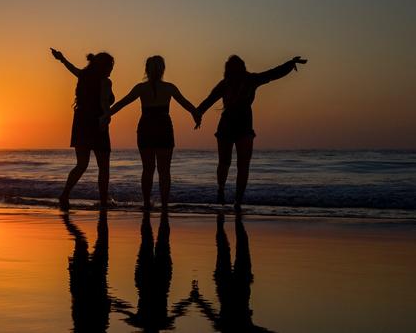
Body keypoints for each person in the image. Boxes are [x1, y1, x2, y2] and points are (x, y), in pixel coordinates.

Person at [195, 55, 307, 212]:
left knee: (224, 162)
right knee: (242, 165)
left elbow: (208, 101)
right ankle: (237, 201)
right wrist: (290, 64)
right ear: (243, 67)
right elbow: (272, 74)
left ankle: (221, 189)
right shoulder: (250, 79)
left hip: (228, 126)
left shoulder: (225, 83)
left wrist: (198, 114)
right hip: (242, 126)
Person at [103, 56, 200, 211]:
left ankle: (147, 203)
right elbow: (186, 104)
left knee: (148, 169)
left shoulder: (141, 88)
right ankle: (165, 205)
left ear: (146, 70)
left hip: (146, 127)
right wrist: (197, 115)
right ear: (162, 70)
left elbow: (122, 103)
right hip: (163, 128)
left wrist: (106, 116)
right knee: (164, 170)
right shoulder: (169, 87)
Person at [51, 48, 115, 210]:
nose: (112, 69)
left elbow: (71, 68)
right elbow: (104, 102)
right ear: (104, 67)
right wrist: (105, 117)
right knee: (104, 167)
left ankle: (65, 194)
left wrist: (62, 58)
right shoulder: (105, 81)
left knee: (81, 164)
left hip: (80, 123)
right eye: (111, 66)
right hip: (96, 123)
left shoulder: (83, 76)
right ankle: (103, 201)